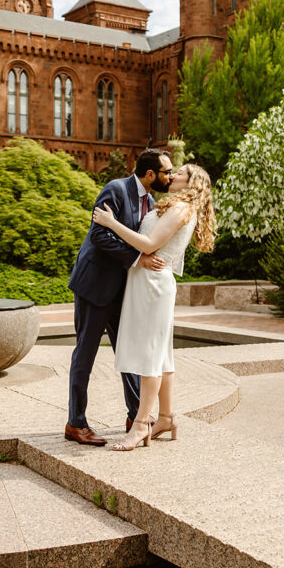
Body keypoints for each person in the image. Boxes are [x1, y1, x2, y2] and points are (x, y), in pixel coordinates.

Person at [92, 163, 215, 451]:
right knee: (161, 356)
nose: (172, 176)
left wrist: (111, 223)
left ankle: (140, 425)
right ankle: (167, 417)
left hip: (152, 285)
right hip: (150, 282)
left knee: (150, 356)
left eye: (179, 173)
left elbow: (148, 245)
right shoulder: (178, 206)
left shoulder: (181, 209)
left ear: (191, 183)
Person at [65, 149, 174, 446]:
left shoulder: (151, 201)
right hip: (95, 285)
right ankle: (76, 424)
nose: (171, 177)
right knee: (85, 355)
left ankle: (135, 415)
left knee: (129, 353)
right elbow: (100, 236)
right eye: (167, 172)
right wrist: (138, 260)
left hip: (123, 291)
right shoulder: (115, 189)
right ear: (150, 174)